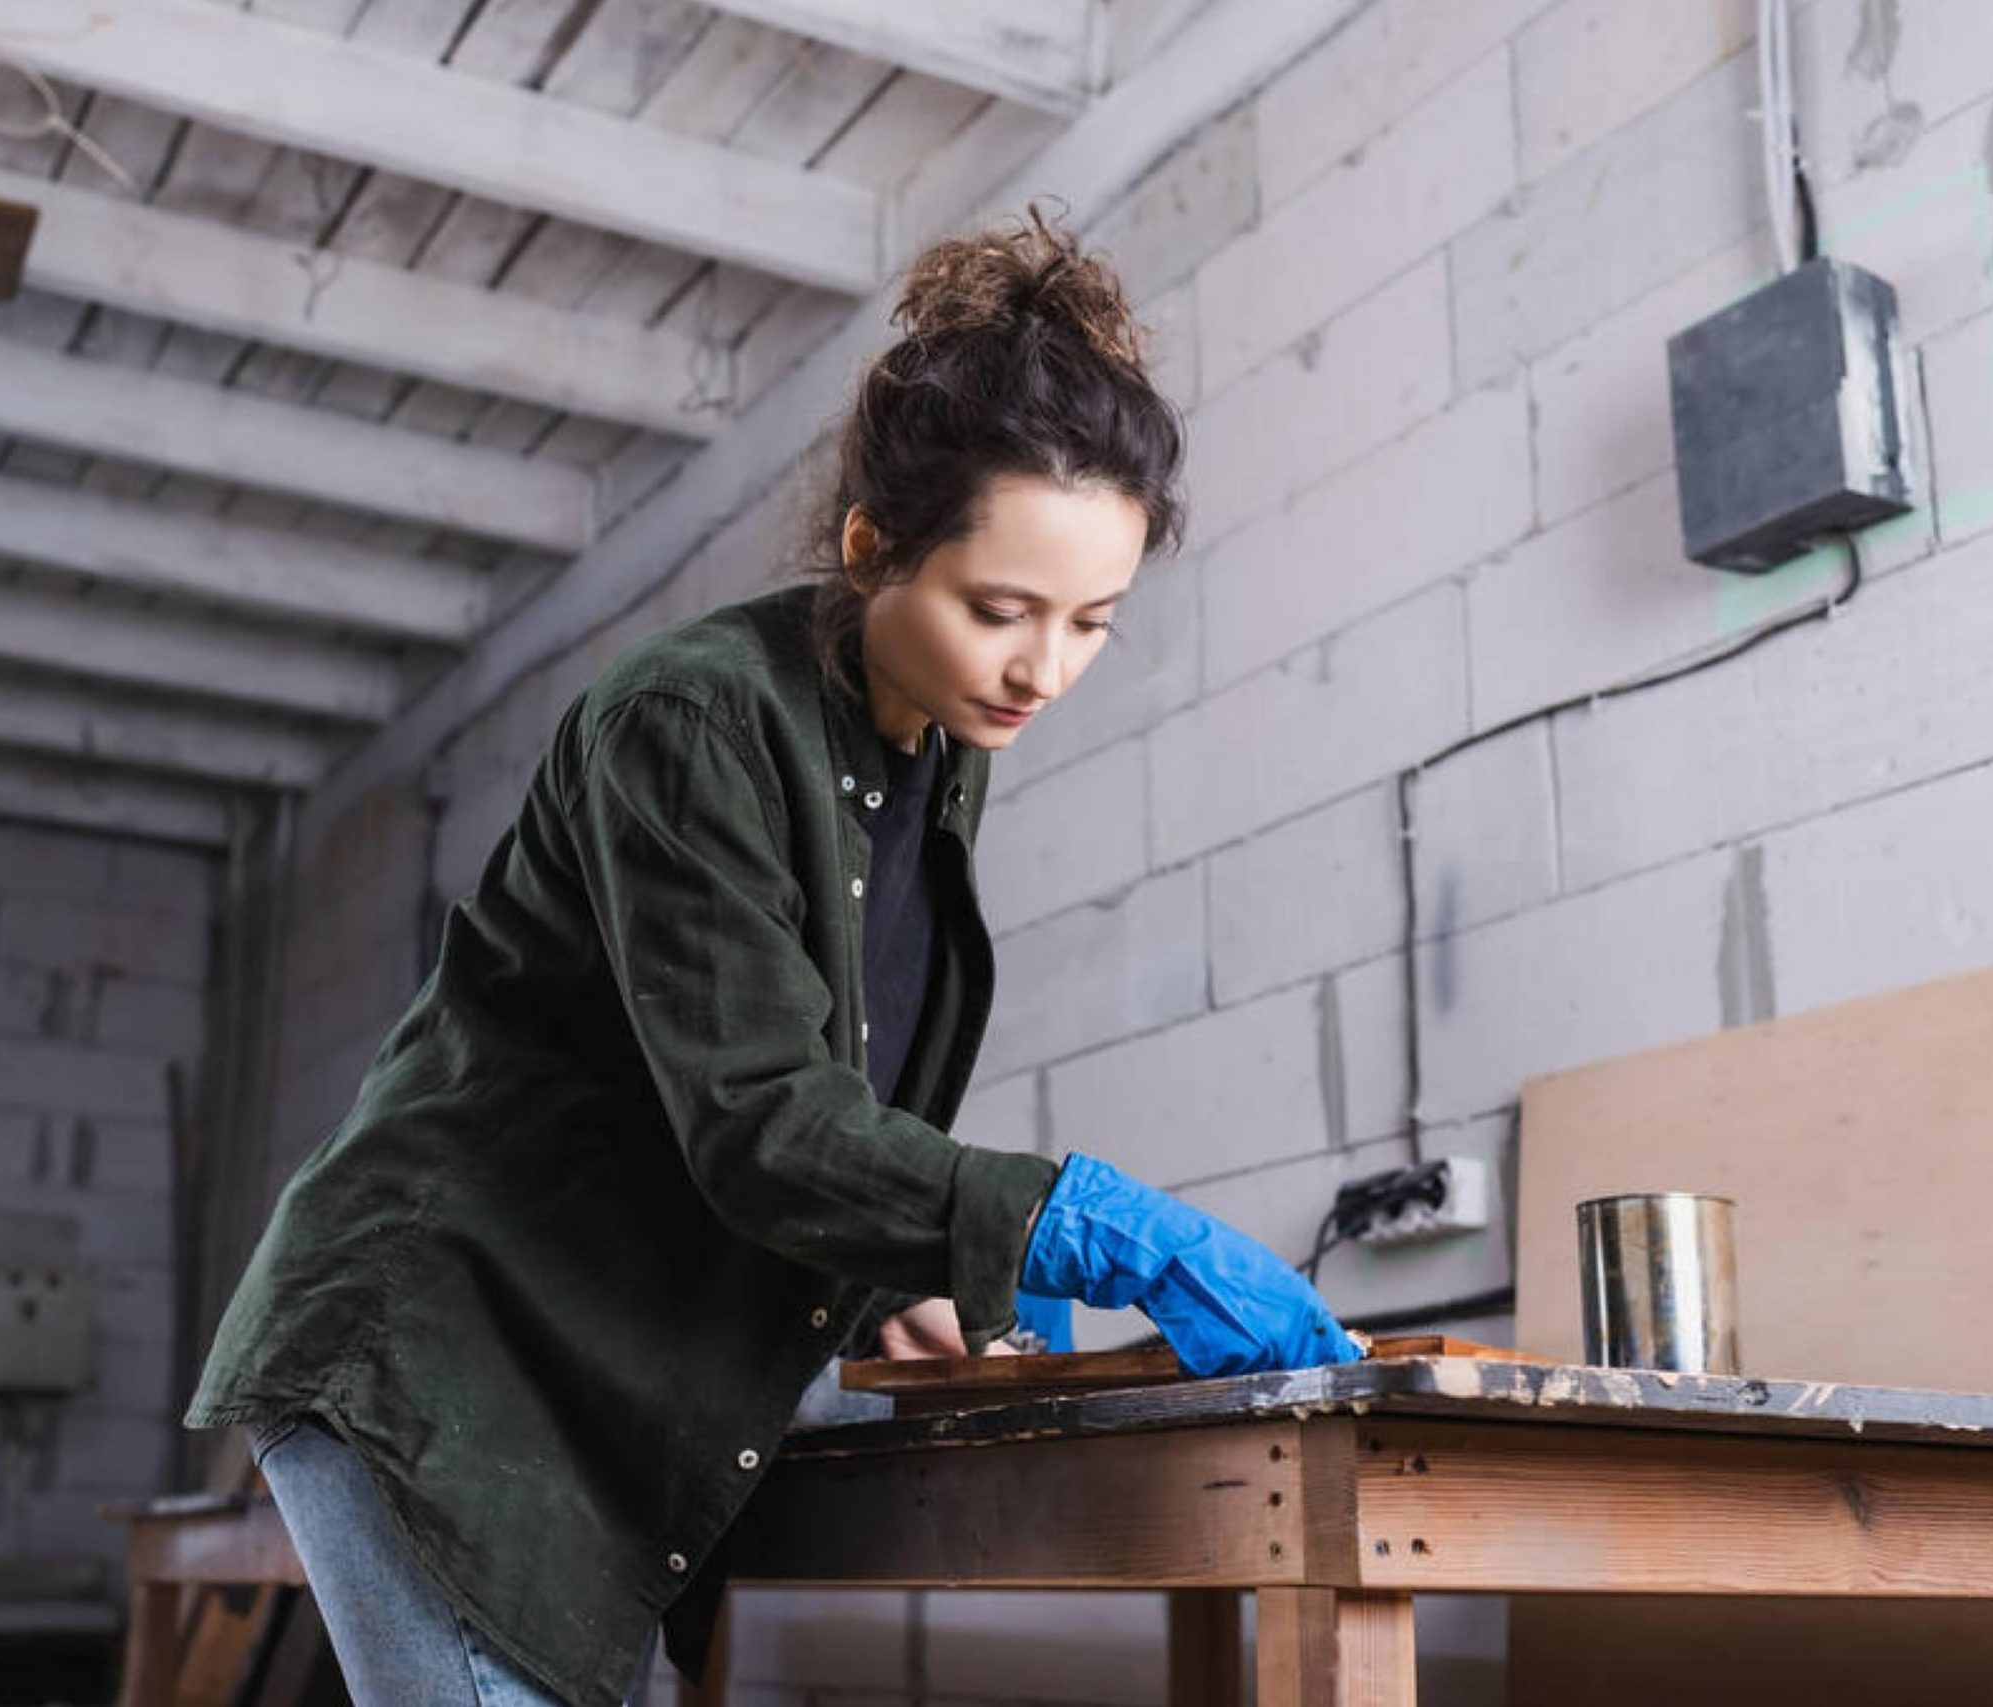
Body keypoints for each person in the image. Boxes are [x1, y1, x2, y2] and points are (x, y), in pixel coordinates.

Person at [185, 209, 1361, 1707]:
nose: (1043, 668)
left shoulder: (938, 747)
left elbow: (790, 1088)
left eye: (1091, 623)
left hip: (594, 1369)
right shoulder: (693, 719)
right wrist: (1082, 1225)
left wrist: (887, 1281)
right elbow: (759, 1121)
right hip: (442, 1353)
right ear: (872, 548)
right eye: (999, 610)